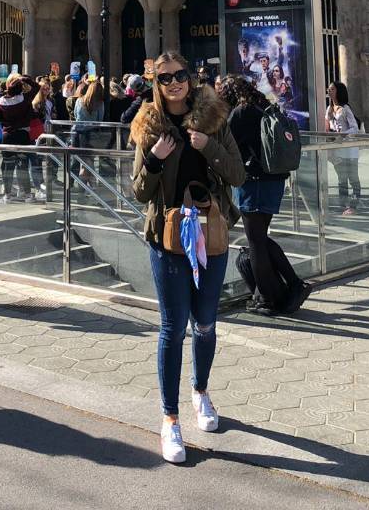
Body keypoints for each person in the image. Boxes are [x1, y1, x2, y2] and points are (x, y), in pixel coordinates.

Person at [130, 51, 246, 465]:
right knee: (172, 327)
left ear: (191, 78)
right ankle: (170, 418)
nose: (175, 83)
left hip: (210, 232)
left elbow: (238, 174)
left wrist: (209, 146)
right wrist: (157, 160)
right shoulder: (148, 125)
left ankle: (201, 393)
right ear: (155, 84)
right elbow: (140, 191)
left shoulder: (215, 118)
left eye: (180, 75)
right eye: (165, 78)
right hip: (167, 237)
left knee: (207, 322)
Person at [219, 75, 310, 316]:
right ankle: (285, 288)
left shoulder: (240, 112)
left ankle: (271, 297)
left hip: (254, 182)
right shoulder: (263, 106)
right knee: (260, 238)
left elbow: (227, 146)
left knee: (255, 241)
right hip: (274, 180)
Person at [0, 72, 34, 202]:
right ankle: (26, 193)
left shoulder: (1, 102)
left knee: (7, 166)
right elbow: (36, 87)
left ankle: (7, 194)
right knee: (23, 165)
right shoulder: (25, 100)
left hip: (8, 135)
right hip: (22, 135)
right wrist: (24, 79)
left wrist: (7, 124)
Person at [326, 81, 362, 215]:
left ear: (338, 91)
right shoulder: (329, 109)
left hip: (349, 149)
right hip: (337, 149)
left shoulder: (346, 108)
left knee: (353, 178)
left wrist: (342, 135)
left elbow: (354, 128)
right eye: (329, 89)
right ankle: (343, 205)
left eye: (332, 89)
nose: (329, 91)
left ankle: (353, 205)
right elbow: (327, 127)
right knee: (341, 179)